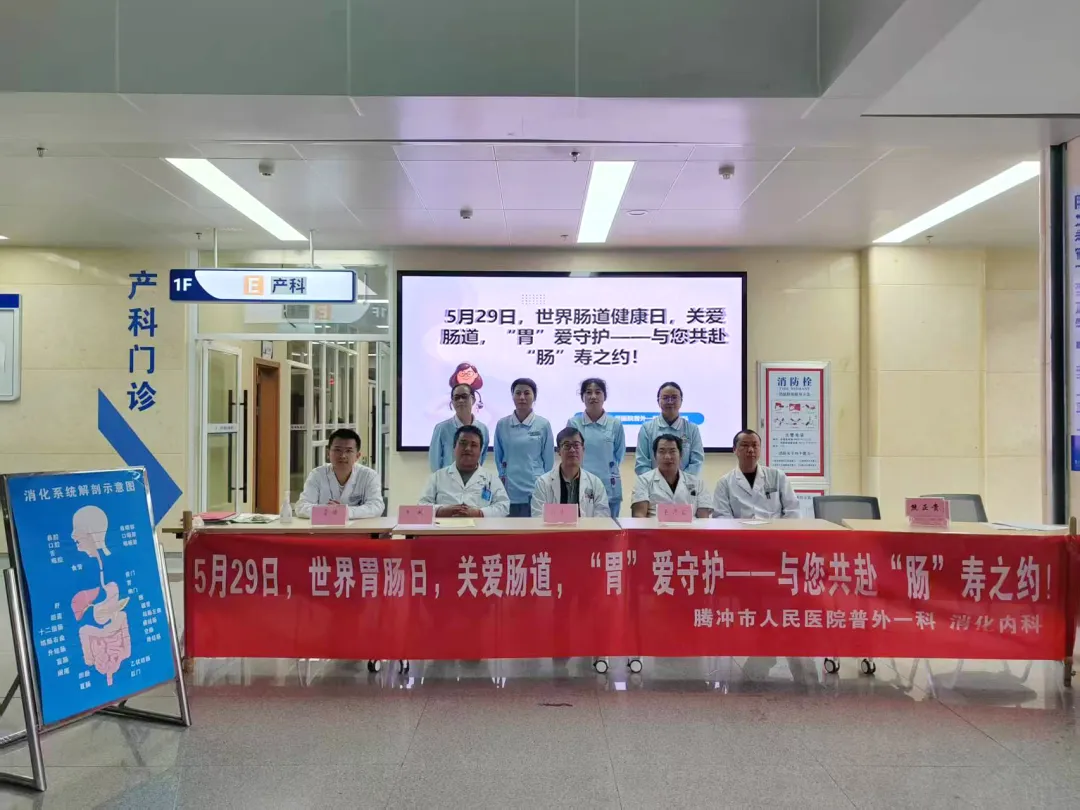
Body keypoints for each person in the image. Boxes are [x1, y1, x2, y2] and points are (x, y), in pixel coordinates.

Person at [494, 378, 554, 517]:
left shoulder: (543, 424)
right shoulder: (502, 424)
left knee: (534, 528)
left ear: (534, 397)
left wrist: (542, 484)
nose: (522, 397)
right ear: (513, 396)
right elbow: (499, 457)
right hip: (510, 489)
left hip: (535, 489)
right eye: (518, 393)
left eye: (527, 393)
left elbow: (548, 461)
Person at [419, 425, 510, 517]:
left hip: (479, 526)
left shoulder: (491, 479)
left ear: (480, 451)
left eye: (473, 445)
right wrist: (441, 510)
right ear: (454, 447)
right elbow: (421, 505)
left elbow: (504, 506)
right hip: (446, 526)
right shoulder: (437, 477)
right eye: (463, 443)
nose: (468, 448)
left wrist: (479, 513)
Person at [567, 378, 626, 517]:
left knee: (610, 528)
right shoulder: (574, 423)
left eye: (598, 392)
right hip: (580, 485)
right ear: (582, 397)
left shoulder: (615, 424)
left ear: (604, 396)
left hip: (609, 488)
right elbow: (569, 455)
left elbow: (619, 455)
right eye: (588, 392)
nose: (593, 396)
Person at [296, 428, 385, 519]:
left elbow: (376, 506)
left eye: (349, 451)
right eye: (337, 450)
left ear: (357, 456)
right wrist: (327, 511)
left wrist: (345, 511)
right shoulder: (317, 474)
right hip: (324, 526)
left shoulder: (369, 475)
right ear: (328, 453)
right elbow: (301, 507)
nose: (342, 456)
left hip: (359, 527)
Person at [712, 429, 800, 519]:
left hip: (774, 527)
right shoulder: (724, 483)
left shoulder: (777, 476)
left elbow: (792, 510)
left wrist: (782, 528)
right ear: (735, 449)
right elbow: (722, 516)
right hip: (739, 528)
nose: (750, 450)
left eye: (755, 445)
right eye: (745, 445)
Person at [530, 426, 611, 518]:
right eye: (567, 445)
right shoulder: (542, 483)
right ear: (559, 451)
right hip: (553, 528)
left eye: (576, 445)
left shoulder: (595, 483)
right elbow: (538, 516)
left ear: (583, 449)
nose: (572, 450)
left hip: (586, 528)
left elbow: (602, 516)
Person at [630, 435, 711, 518]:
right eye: (662, 451)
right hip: (654, 526)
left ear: (681, 455)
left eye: (672, 451)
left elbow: (704, 519)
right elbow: (639, 517)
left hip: (690, 526)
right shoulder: (643, 481)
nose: (667, 457)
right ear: (655, 456)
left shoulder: (698, 483)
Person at [634, 381, 704, 476]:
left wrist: (679, 481)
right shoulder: (646, 429)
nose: (670, 401)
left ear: (681, 401)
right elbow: (641, 464)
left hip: (686, 484)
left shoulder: (692, 429)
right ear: (658, 401)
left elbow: (697, 463)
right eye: (665, 398)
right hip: (653, 484)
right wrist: (658, 482)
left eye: (674, 397)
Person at [429, 383, 489, 471]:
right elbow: (435, 462)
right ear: (452, 402)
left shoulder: (483, 429)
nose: (460, 400)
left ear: (473, 399)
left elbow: (481, 458)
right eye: (456, 397)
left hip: (474, 478)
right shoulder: (441, 429)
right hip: (448, 478)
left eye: (464, 396)